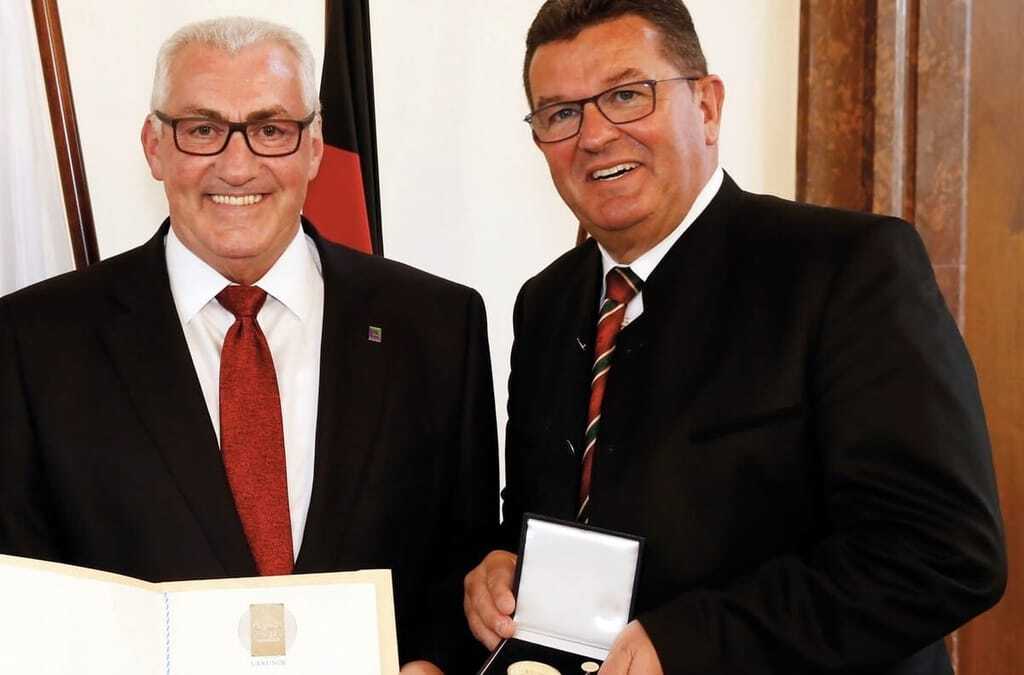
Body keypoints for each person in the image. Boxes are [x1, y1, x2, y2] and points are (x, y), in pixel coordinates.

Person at [463, 1, 1006, 673]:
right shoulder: (545, 303)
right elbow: (540, 510)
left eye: (627, 95)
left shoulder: (847, 269)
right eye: (561, 113)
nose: (594, 135)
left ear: (708, 106)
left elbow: (942, 550)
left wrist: (691, 643)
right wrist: (504, 562)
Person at [0, 17, 496, 674]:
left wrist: (435, 661)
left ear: (314, 147)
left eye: (271, 129)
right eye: (202, 129)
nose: (237, 166)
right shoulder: (33, 342)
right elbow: (23, 592)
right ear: (154, 146)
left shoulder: (436, 327)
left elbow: (470, 564)